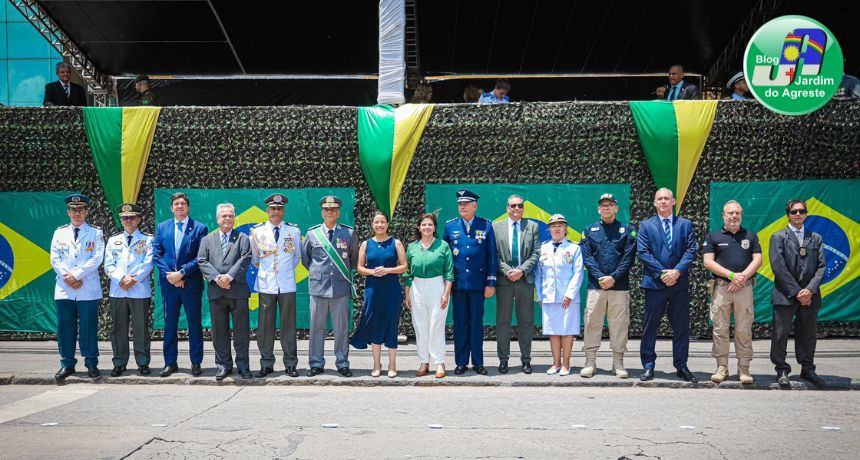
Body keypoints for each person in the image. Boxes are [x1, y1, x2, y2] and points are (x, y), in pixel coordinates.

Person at [637, 188, 698, 383]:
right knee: (650, 326)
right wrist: (663, 273)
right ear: (655, 203)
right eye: (659, 199)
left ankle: (681, 365)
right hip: (655, 284)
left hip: (679, 285)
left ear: (673, 202)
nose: (663, 201)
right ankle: (648, 365)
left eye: (666, 198)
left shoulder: (685, 225)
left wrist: (677, 271)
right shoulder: (646, 226)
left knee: (681, 327)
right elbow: (643, 252)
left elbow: (691, 250)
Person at [702, 200, 762, 385]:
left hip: (744, 288)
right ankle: (722, 367)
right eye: (730, 213)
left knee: (744, 329)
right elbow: (708, 261)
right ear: (723, 215)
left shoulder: (751, 236)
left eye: (737, 213)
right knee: (720, 329)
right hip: (721, 288)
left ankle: (744, 368)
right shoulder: (713, 237)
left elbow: (758, 260)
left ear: (741, 215)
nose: (734, 216)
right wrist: (731, 275)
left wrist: (741, 278)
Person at [769, 199, 826, 387]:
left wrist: (809, 290)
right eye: (794, 212)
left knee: (808, 333)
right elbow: (778, 267)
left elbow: (821, 267)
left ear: (806, 214)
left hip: (810, 296)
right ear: (788, 215)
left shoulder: (815, 238)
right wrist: (797, 292)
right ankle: (782, 370)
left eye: (801, 211)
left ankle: (807, 369)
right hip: (785, 294)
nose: (798, 214)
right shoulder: (778, 237)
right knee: (781, 333)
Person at [579, 193, 636, 379]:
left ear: (616, 208)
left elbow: (628, 258)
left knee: (619, 325)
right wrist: (601, 277)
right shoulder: (589, 230)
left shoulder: (627, 230)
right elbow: (587, 257)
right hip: (596, 286)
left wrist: (614, 277)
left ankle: (618, 362)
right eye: (603, 205)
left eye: (610, 205)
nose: (606, 208)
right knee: (591, 323)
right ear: (598, 209)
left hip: (619, 287)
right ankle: (590, 361)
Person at [301, 195, 360, 377]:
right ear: (322, 212)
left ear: (338, 212)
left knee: (341, 328)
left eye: (333, 209)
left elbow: (353, 259)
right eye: (327, 209)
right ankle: (316, 363)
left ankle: (342, 363)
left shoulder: (348, 233)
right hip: (318, 288)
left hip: (340, 288)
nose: (330, 212)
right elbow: (306, 259)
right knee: (316, 328)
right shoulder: (312, 233)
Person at [153, 192, 208, 377]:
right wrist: (171, 276)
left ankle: (196, 362)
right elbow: (157, 255)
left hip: (190, 284)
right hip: (169, 285)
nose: (179, 207)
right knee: (170, 324)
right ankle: (170, 362)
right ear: (171, 208)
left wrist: (181, 273)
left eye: (182, 204)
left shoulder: (200, 228)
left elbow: (200, 257)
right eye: (176, 204)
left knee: (194, 324)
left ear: (188, 207)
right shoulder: (162, 227)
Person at [443, 189, 498, 375]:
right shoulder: (450, 227)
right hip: (458, 285)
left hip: (477, 284)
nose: (462, 207)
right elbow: (445, 257)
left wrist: (490, 282)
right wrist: (447, 283)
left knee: (476, 324)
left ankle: (478, 362)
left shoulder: (486, 226)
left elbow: (492, 256)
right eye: (460, 204)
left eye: (466, 204)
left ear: (475, 206)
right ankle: (460, 362)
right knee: (459, 324)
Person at [50, 194, 104, 380]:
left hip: (86, 287)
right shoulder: (59, 232)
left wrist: (77, 275)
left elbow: (97, 258)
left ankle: (91, 363)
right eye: (74, 209)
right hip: (65, 287)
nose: (77, 213)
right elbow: (54, 258)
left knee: (89, 327)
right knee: (65, 327)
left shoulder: (96, 232)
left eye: (81, 209)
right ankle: (67, 364)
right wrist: (68, 277)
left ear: (87, 212)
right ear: (68, 212)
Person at [198, 203, 253, 380]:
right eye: (224, 216)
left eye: (230, 215)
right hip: (216, 292)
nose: (227, 218)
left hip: (237, 291)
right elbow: (201, 261)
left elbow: (246, 258)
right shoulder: (207, 240)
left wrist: (228, 277)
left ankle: (243, 366)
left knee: (241, 332)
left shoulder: (243, 238)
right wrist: (217, 278)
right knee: (219, 332)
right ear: (217, 219)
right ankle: (223, 366)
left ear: (234, 218)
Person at [250, 193, 302, 378]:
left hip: (287, 284)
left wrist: (284, 271)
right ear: (267, 211)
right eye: (273, 208)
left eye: (279, 208)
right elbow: (255, 258)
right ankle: (266, 363)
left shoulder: (293, 231)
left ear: (284, 211)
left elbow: (296, 257)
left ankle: (290, 363)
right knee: (265, 326)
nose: (276, 211)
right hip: (266, 284)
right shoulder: (257, 231)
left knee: (288, 325)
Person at [351, 211, 408, 377]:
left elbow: (404, 266)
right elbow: (359, 268)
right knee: (374, 323)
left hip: (391, 289)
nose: (380, 225)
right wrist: (371, 272)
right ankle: (376, 364)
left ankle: (392, 364)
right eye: (377, 222)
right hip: (373, 289)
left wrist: (388, 270)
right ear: (372, 225)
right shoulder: (366, 244)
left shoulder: (396, 243)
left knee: (391, 324)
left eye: (383, 222)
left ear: (387, 224)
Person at [103, 203, 154, 377]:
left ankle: (142, 362)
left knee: (141, 328)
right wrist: (121, 278)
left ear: (138, 219)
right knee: (118, 328)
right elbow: (108, 265)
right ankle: (119, 362)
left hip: (139, 290)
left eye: (132, 217)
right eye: (125, 218)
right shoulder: (113, 240)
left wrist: (133, 279)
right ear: (121, 220)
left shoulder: (148, 239)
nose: (128, 220)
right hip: (118, 290)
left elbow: (148, 263)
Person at [492, 194, 540, 374]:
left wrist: (521, 270)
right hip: (504, 281)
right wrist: (506, 270)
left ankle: (526, 360)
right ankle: (503, 360)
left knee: (526, 322)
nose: (516, 209)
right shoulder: (496, 227)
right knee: (503, 322)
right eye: (513, 206)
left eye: (520, 206)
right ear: (507, 208)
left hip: (525, 281)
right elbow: (493, 254)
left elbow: (536, 253)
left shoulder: (532, 226)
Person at [404, 213, 454, 378]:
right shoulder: (412, 247)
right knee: (420, 326)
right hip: (417, 287)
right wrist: (407, 294)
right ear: (419, 227)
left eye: (430, 225)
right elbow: (407, 273)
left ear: (434, 228)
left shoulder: (443, 246)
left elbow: (449, 272)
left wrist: (446, 293)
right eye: (424, 224)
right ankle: (424, 361)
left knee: (436, 326)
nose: (427, 227)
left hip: (437, 286)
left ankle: (439, 362)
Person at [534, 214, 583, 376]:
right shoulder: (543, 248)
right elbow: (538, 275)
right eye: (553, 226)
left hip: (568, 298)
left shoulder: (574, 248)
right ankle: (556, 363)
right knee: (553, 331)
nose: (557, 228)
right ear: (549, 229)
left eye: (560, 225)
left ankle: (566, 364)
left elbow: (578, 273)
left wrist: (570, 294)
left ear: (565, 229)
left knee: (567, 331)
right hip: (549, 297)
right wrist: (539, 296)